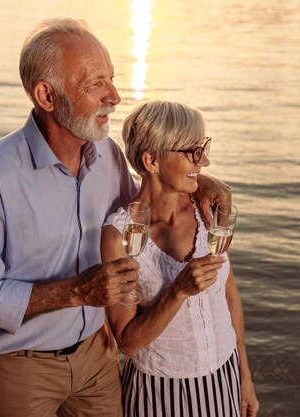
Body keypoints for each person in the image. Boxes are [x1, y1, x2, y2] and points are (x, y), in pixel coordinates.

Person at [0, 19, 231, 417]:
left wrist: (199, 181)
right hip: (20, 368)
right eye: (95, 84)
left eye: (111, 79)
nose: (114, 96)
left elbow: (143, 203)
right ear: (47, 95)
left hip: (97, 360)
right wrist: (77, 292)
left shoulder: (109, 157)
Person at [101, 100, 259, 417]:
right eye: (193, 152)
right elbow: (128, 343)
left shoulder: (209, 209)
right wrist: (179, 291)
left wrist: (244, 376)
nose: (205, 161)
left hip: (224, 374)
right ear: (152, 161)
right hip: (160, 391)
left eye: (203, 147)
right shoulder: (119, 236)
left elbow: (229, 297)